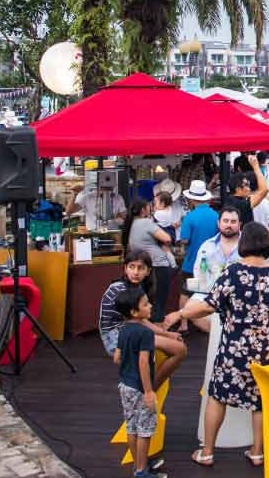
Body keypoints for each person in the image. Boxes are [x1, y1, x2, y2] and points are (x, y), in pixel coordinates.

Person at [165, 223, 269, 468]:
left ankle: (208, 452)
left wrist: (181, 313)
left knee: (217, 395)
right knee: (259, 399)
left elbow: (208, 304)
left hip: (236, 350)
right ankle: (257, 452)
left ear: (244, 243)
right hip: (268, 349)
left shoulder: (233, 272)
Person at [97, 251, 187, 386]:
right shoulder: (120, 289)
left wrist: (165, 333)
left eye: (141, 268)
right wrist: (166, 333)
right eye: (131, 267)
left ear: (148, 271)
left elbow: (140, 321)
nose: (135, 272)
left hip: (130, 330)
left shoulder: (136, 287)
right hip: (117, 338)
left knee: (176, 347)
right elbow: (140, 321)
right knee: (180, 350)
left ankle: (149, 386)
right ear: (125, 268)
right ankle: (150, 388)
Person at [111, 288, 166, 478]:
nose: (149, 305)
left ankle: (138, 466)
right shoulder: (145, 333)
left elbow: (116, 357)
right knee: (145, 430)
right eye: (145, 304)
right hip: (139, 388)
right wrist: (149, 392)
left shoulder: (124, 330)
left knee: (131, 426)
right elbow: (144, 362)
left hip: (124, 386)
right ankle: (142, 472)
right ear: (134, 312)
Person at [123, 199, 176, 323]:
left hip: (143, 266)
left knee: (145, 300)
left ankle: (148, 327)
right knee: (159, 301)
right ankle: (158, 327)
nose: (151, 209)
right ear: (143, 210)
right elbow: (167, 238)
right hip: (158, 264)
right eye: (149, 208)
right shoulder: (146, 222)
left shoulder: (130, 224)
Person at [177, 181, 218, 333]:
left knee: (186, 293)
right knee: (208, 292)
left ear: (192, 199)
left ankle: (184, 324)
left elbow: (185, 240)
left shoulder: (189, 217)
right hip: (212, 263)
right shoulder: (216, 215)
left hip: (192, 263)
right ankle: (207, 322)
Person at [224, 154, 269, 225]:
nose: (249, 188)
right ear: (238, 189)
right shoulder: (241, 204)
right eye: (246, 185)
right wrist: (256, 166)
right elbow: (264, 190)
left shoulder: (230, 200)